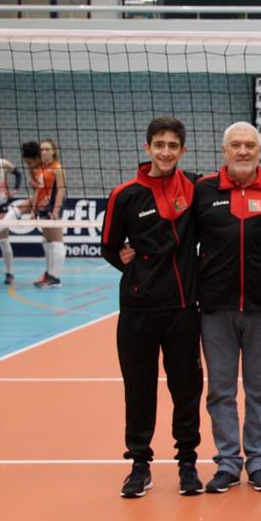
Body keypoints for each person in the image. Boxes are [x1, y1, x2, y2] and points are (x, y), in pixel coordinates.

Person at [100, 117, 204, 498]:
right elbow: (109, 247)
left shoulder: (195, 187)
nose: (165, 151)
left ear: (183, 150)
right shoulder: (125, 195)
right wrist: (131, 266)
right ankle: (139, 463)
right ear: (147, 148)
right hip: (138, 311)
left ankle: (187, 462)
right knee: (139, 389)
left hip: (183, 309)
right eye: (159, 144)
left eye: (173, 145)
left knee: (186, 389)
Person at [195, 122, 261, 494]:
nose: (243, 151)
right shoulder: (204, 190)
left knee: (259, 389)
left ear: (259, 151)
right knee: (220, 389)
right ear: (224, 151)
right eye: (236, 145)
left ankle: (260, 461)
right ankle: (228, 462)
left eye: (250, 145)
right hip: (215, 307)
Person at [28, 138, 67, 288]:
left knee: (57, 242)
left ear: (54, 151)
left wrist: (56, 209)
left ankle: (55, 278)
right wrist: (34, 209)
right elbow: (38, 191)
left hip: (53, 207)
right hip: (42, 208)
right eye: (42, 149)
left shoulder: (58, 168)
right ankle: (49, 274)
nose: (44, 152)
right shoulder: (40, 169)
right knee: (48, 241)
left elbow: (61, 190)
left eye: (47, 149)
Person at [0, 154, 19, 284]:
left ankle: (10, 273)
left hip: (1, 205)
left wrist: (15, 190)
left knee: (3, 240)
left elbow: (18, 174)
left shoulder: (3, 163)